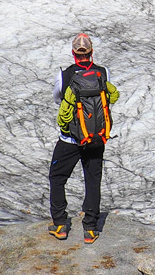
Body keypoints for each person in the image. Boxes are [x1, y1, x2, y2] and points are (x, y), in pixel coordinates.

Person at [48, 32, 119, 243]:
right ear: (91, 52)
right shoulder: (103, 72)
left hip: (70, 139)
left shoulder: (64, 75)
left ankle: (60, 224)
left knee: (57, 178)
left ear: (73, 54)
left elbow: (57, 99)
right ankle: (90, 228)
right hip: (95, 138)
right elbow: (109, 98)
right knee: (93, 180)